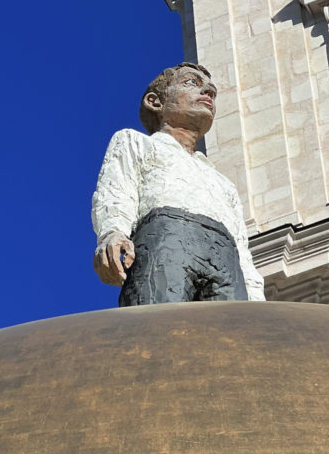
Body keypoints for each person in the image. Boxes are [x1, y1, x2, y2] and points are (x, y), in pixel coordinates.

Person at [92, 63, 265, 305]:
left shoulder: (223, 183)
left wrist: (256, 297)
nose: (207, 93)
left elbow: (242, 249)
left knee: (232, 334)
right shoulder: (136, 142)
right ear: (155, 101)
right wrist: (112, 233)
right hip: (165, 241)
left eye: (212, 92)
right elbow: (117, 191)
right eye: (192, 83)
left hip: (225, 258)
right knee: (159, 324)